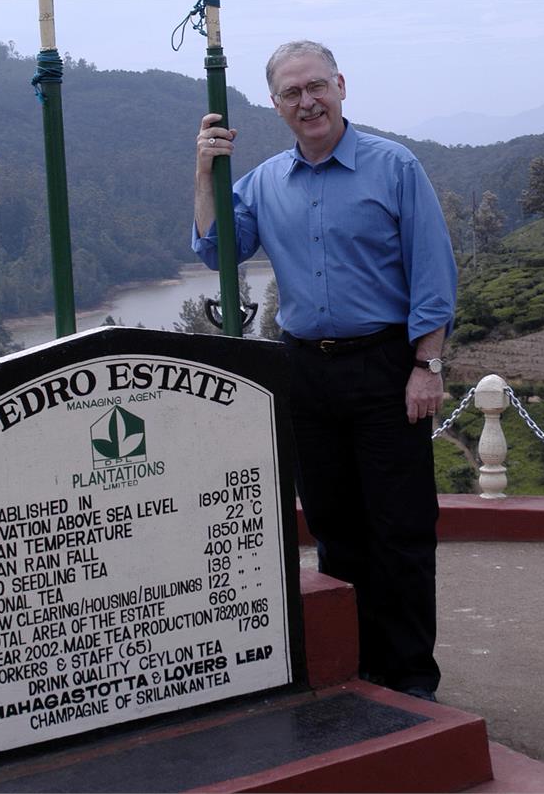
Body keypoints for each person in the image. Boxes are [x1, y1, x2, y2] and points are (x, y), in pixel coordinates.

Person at [192, 40, 456, 701]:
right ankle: (363, 672)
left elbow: (432, 277)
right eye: (291, 93)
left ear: (340, 85)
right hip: (306, 374)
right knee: (337, 531)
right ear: (277, 105)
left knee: (399, 528)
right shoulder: (263, 181)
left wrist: (427, 364)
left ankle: (411, 679)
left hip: (386, 367)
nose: (307, 101)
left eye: (317, 86)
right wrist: (205, 171)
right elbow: (215, 247)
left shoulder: (394, 167)